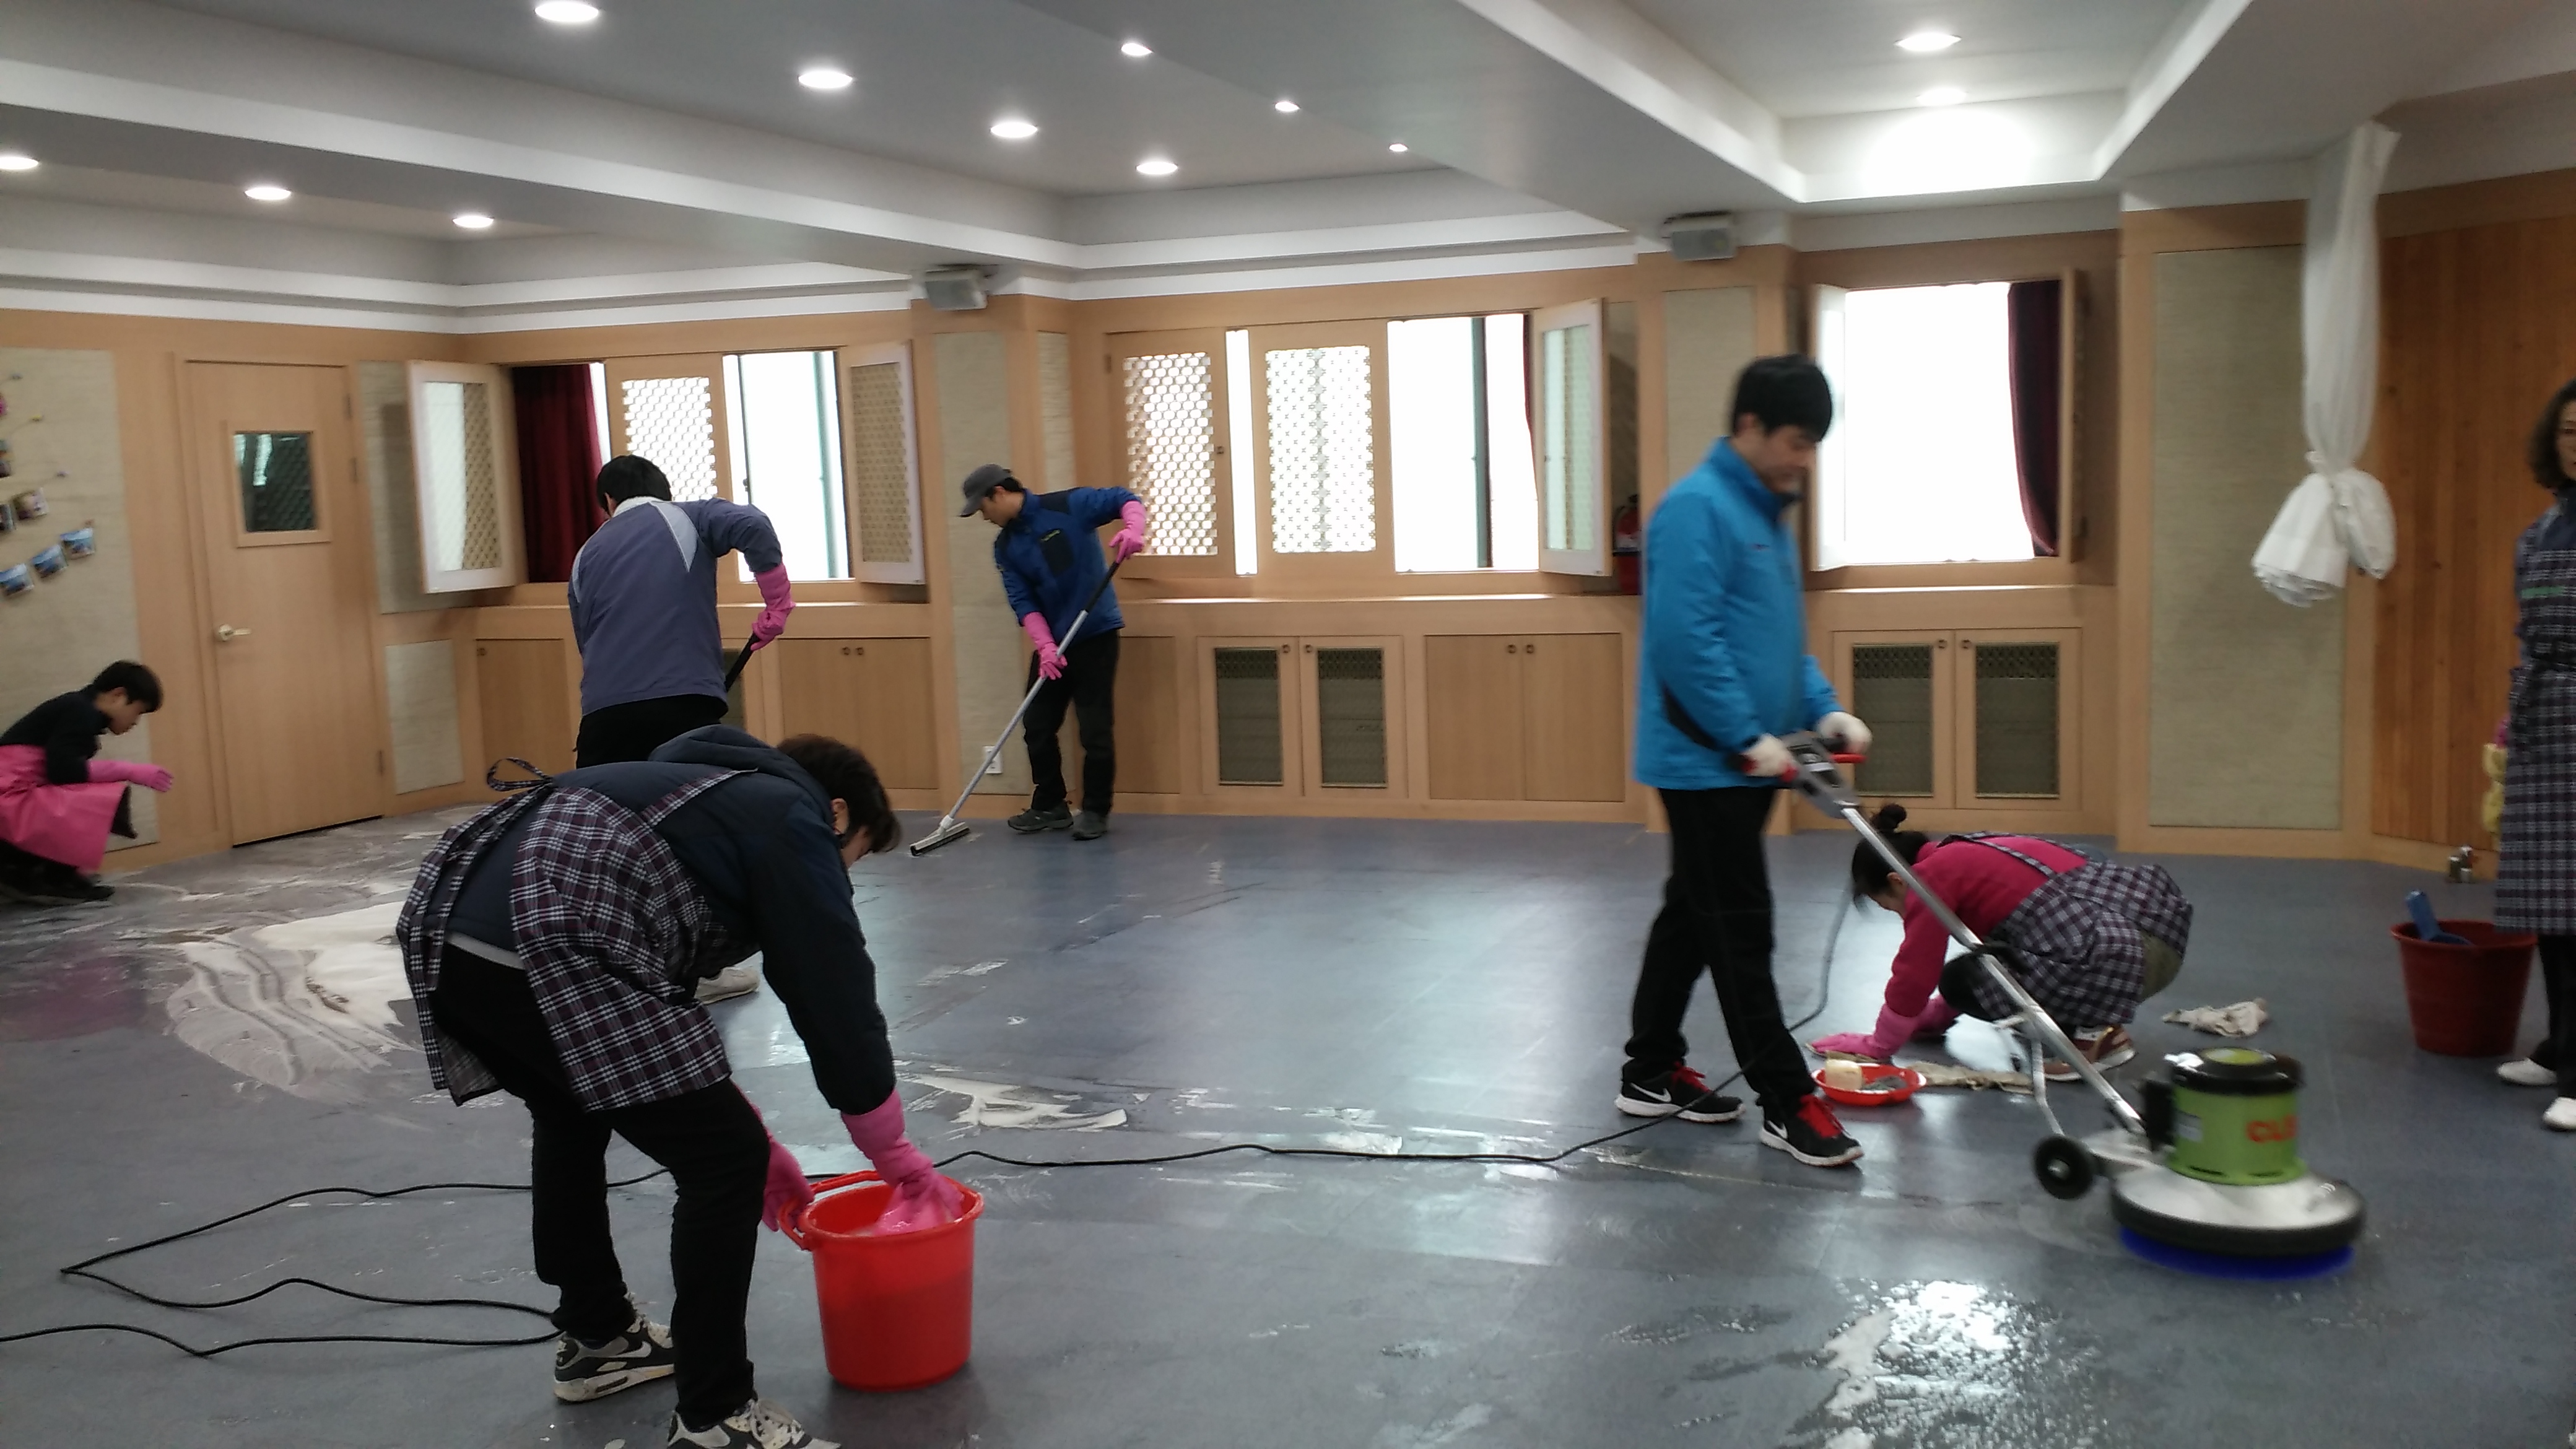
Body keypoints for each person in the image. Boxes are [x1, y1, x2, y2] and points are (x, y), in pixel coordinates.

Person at [396, 726, 950, 1449]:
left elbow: (662, 1021)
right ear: (839, 813)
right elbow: (830, 986)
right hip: (547, 938)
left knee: (571, 1112)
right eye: (854, 855)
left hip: (449, 936)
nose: (843, 874)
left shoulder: (689, 797)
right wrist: (889, 1149)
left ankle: (599, 1339)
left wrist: (757, 1135)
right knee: (722, 1162)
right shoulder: (789, 814)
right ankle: (715, 1417)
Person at [1621, 355, 1874, 1168]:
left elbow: (1774, 642)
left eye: (1814, 445)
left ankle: (1649, 1069)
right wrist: (1742, 736)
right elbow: (1685, 644)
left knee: (1693, 914)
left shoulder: (1763, 513)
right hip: (1704, 763)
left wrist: (1821, 708)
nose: (1806, 459)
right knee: (1740, 928)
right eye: (1797, 441)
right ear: (1750, 427)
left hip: (1748, 760)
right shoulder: (1696, 510)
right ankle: (1785, 1100)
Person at [1809, 806, 2188, 1081]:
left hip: (2122, 961)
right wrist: (1928, 1019)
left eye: (1890, 906)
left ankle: (2092, 1040)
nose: (1900, 914)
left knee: (1959, 979)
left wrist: (1880, 1045)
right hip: (2157, 935)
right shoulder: (1971, 846)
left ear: (1897, 881)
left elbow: (1914, 972)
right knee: (2009, 951)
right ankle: (2097, 1025)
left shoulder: (1927, 879)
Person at [959, 463, 1147, 842]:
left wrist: (1134, 529)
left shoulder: (1067, 506)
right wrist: (1044, 645)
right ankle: (1050, 804)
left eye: (983, 508)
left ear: (999, 493)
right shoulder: (1005, 547)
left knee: (1094, 729)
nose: (984, 517)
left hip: (1095, 634)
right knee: (1037, 725)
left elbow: (1124, 499)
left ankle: (1095, 810)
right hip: (1055, 645)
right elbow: (1023, 601)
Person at [568, 455, 795, 770]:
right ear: (665, 492)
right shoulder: (689, 516)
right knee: (691, 797)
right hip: (683, 704)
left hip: (603, 716)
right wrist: (777, 602)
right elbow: (752, 523)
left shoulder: (584, 555)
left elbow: (586, 640)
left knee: (606, 800)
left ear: (608, 500)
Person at [2496, 376, 2576, 1129]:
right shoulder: (2538, 533)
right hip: (2546, 718)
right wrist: (2510, 720)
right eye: (2570, 431)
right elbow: (2529, 633)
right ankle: (2557, 1048)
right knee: (2551, 903)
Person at [0, 661, 172, 905]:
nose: (136, 722)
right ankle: (35, 874)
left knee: (88, 796)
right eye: (138, 712)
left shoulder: (79, 708)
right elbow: (63, 771)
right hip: (9, 796)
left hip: (13, 791)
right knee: (97, 801)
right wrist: (126, 770)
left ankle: (48, 872)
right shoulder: (81, 712)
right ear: (118, 696)